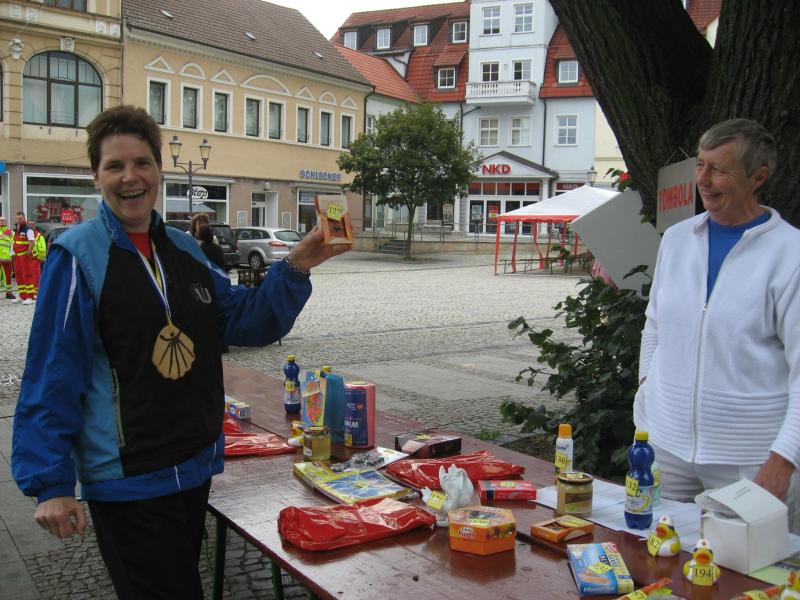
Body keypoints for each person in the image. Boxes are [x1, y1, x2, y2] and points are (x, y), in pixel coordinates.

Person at [11, 105, 350, 599]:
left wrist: (297, 265)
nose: (130, 177)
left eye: (142, 163)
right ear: (96, 177)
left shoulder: (183, 250)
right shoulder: (78, 256)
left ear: (159, 170)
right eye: (115, 166)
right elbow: (52, 370)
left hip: (193, 464)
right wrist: (51, 483)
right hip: (128, 476)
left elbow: (244, 320)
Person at [635, 118, 799, 531]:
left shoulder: (790, 253)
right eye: (700, 165)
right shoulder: (677, 240)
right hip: (665, 447)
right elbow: (654, 326)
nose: (703, 181)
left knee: (749, 566)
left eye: (719, 169)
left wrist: (785, 459)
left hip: (750, 459)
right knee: (655, 554)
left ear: (758, 177)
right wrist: (647, 394)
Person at [11, 212, 36, 304]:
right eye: (17, 218)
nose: (19, 220)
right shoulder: (17, 229)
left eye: (20, 218)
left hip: (25, 256)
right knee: (19, 275)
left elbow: (32, 242)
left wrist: (28, 253)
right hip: (17, 256)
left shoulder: (28, 229)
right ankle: (22, 295)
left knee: (27, 274)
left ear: (24, 218)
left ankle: (30, 296)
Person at [0, 215, 14, 299]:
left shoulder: (10, 232)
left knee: (8, 277)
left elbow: (13, 243)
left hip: (7, 258)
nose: (2, 222)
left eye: (3, 220)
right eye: (0, 220)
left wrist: (12, 254)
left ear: (6, 222)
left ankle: (8, 293)